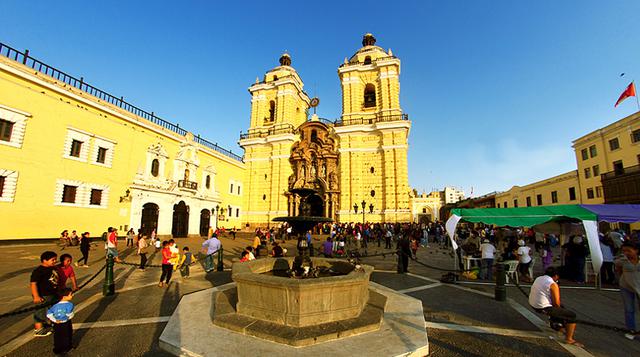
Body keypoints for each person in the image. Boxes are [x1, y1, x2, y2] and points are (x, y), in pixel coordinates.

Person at [529, 267, 582, 347]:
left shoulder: (539, 278)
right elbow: (556, 304)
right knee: (571, 315)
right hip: (542, 307)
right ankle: (569, 339)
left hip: (533, 303)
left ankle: (556, 324)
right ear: (556, 276)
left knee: (561, 309)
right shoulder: (552, 284)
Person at [615, 241, 640, 340]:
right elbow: (618, 268)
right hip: (626, 285)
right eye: (624, 251)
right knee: (629, 309)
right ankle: (631, 329)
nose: (626, 253)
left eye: (629, 251)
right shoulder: (623, 260)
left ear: (636, 251)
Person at [30, 251, 59, 337]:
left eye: (55, 260)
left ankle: (48, 324)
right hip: (42, 294)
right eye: (52, 260)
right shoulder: (39, 271)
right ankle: (38, 329)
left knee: (50, 309)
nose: (54, 261)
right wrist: (36, 296)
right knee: (40, 311)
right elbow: (33, 283)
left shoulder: (52, 268)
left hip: (52, 293)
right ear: (44, 260)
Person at [47, 287, 74, 355]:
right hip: (65, 322)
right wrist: (70, 317)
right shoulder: (70, 305)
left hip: (57, 323)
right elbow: (69, 314)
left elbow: (49, 314)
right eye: (70, 294)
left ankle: (57, 348)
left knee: (57, 336)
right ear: (64, 296)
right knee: (67, 334)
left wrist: (55, 320)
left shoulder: (55, 305)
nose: (72, 295)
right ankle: (66, 347)